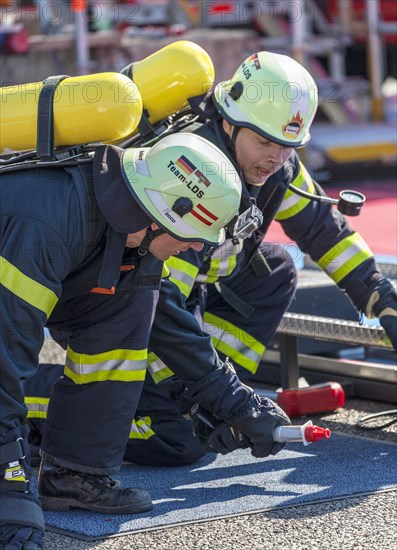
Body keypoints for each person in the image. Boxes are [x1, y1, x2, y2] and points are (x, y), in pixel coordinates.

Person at [25, 51, 397, 468]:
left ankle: (210, 384)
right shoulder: (193, 171)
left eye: (288, 147)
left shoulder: (272, 165)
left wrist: (382, 298)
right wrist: (199, 399)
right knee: (176, 439)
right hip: (114, 303)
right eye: (265, 142)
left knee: (274, 270)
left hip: (177, 297)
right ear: (228, 122)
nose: (276, 158)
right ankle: (31, 399)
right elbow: (157, 302)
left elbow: (324, 231)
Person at [1, 132, 292, 549]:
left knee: (128, 311)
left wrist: (233, 404)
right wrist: (10, 491)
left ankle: (74, 475)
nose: (195, 247)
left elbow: (169, 326)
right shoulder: (46, 223)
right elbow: (4, 354)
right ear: (161, 216)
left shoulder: (128, 234)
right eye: (195, 236)